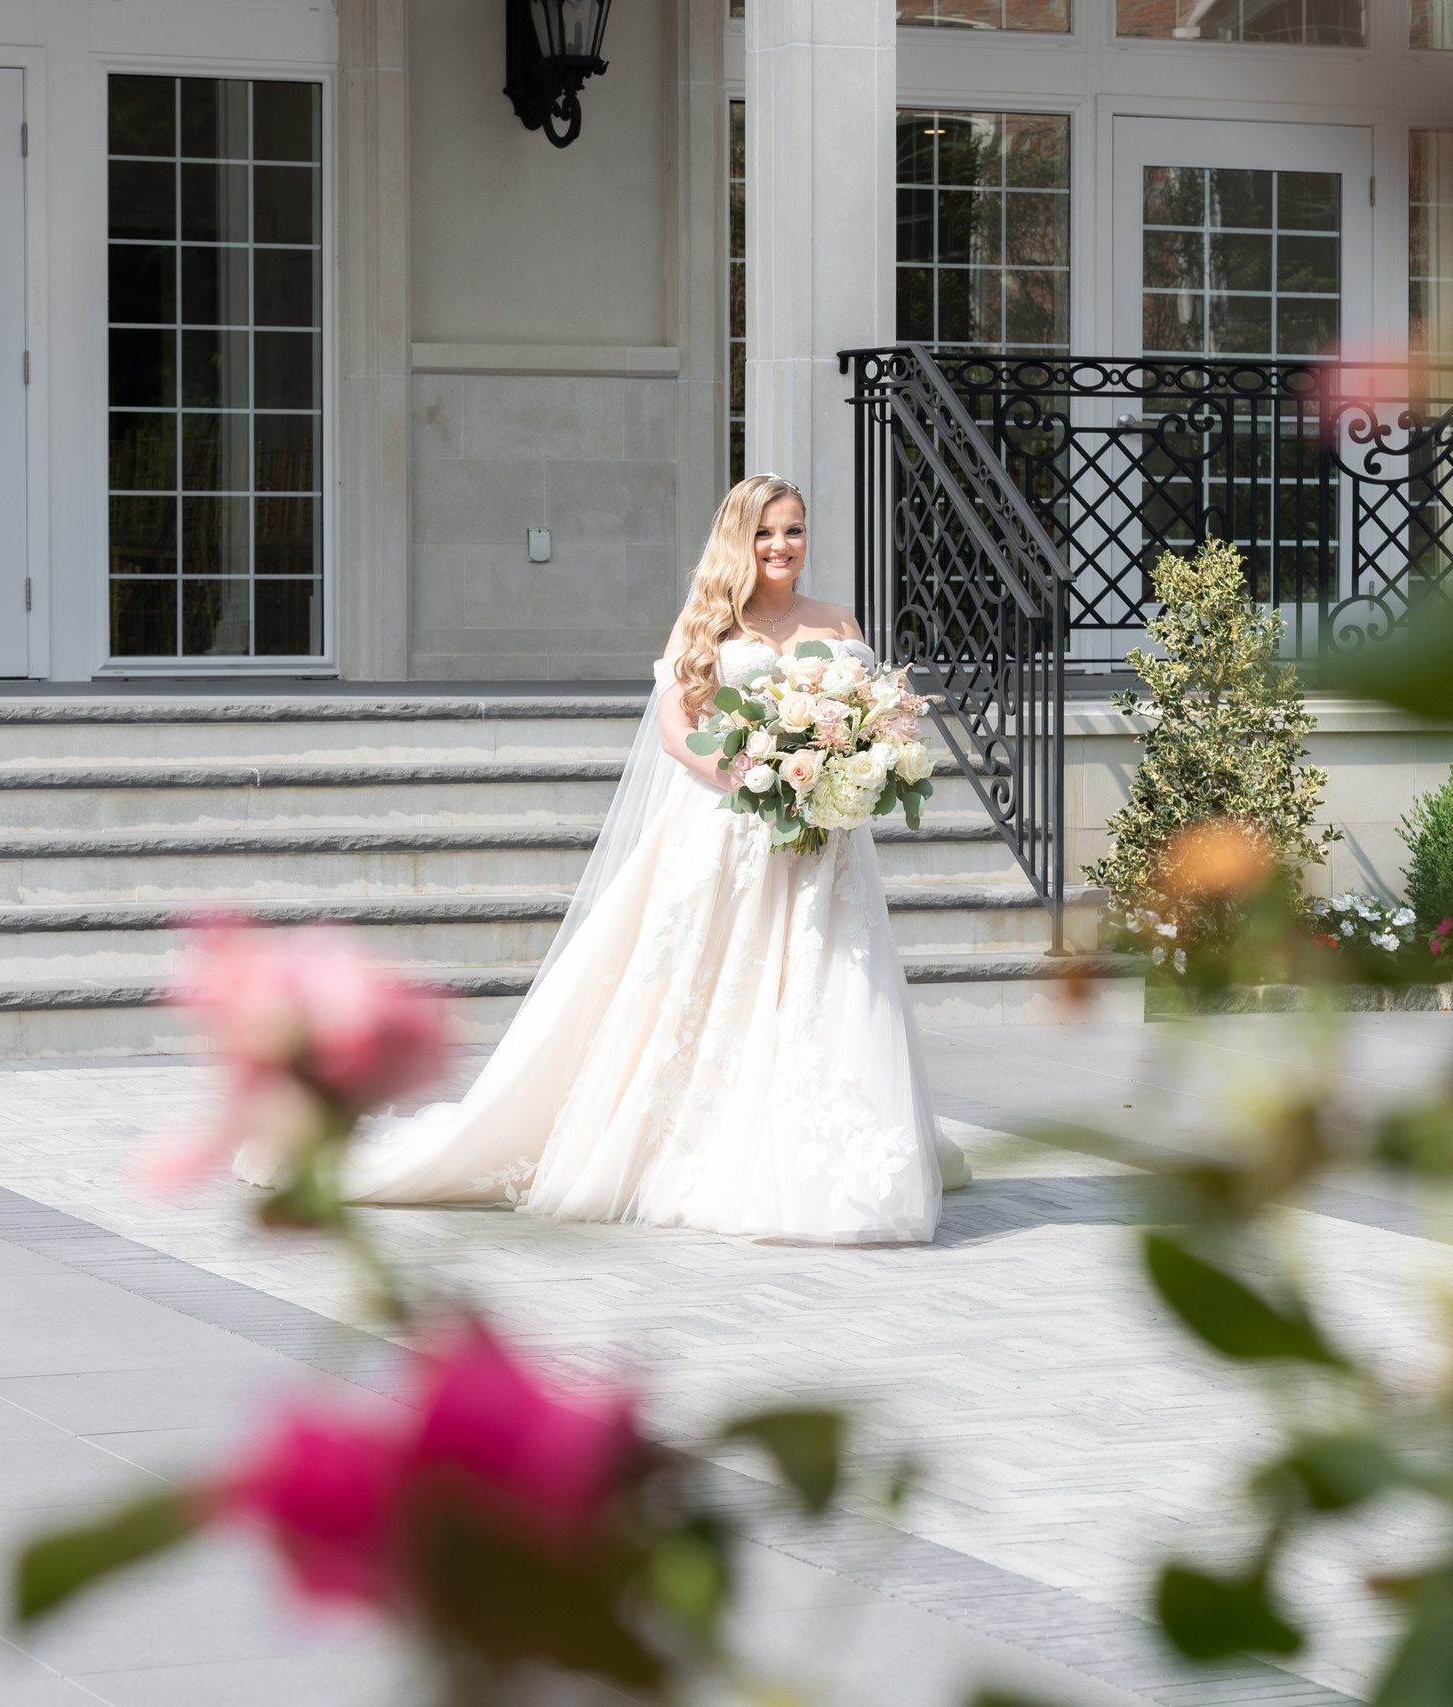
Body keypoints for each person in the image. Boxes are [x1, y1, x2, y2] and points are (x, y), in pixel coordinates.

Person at [238, 474, 969, 1243]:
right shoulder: (706, 625)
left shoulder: (837, 620)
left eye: (793, 529)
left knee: (832, 979)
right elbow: (674, 732)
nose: (781, 546)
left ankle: (840, 1155)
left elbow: (873, 719)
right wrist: (750, 776)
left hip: (825, 847)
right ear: (738, 541)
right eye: (764, 532)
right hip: (731, 829)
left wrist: (862, 764)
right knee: (716, 984)